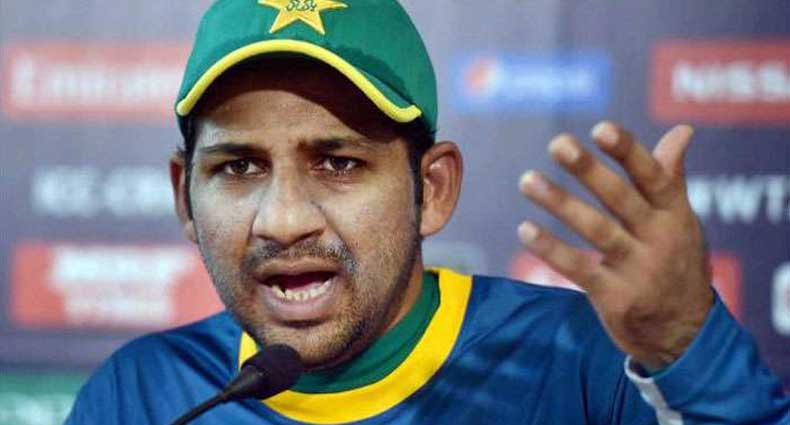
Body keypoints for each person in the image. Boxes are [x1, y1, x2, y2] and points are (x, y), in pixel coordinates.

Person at [66, 0, 790, 424]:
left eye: (338, 162)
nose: (283, 220)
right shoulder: (142, 395)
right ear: (184, 196)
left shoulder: (581, 361)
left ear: (432, 189)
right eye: (239, 167)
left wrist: (688, 351)